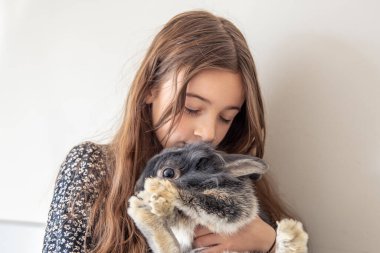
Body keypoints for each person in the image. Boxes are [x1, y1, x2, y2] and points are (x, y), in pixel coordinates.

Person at [43, 10, 298, 253]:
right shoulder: (93, 168)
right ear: (150, 88)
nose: (209, 133)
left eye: (225, 117)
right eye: (191, 108)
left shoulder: (233, 180)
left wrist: (269, 243)